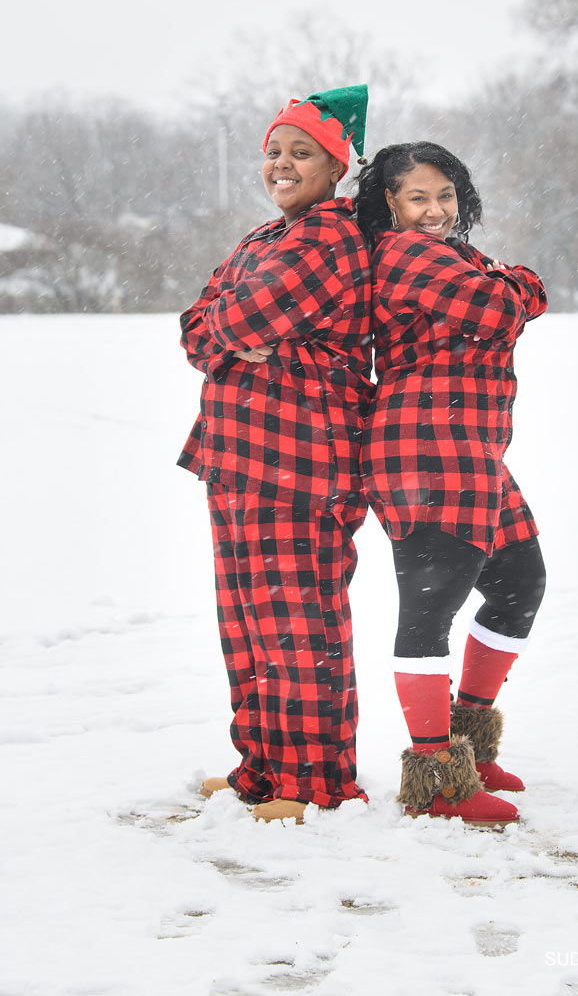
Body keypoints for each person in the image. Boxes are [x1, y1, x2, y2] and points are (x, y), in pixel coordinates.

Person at [178, 85, 372, 824]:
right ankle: (261, 769)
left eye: (301, 153)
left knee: (300, 625)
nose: (282, 165)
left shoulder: (331, 237)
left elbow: (244, 313)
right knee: (247, 625)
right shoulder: (263, 241)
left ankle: (314, 783)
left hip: (302, 461)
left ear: (336, 167)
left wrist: (236, 326)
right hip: (235, 457)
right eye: (274, 152)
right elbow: (199, 328)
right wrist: (231, 335)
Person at [352, 142, 547, 828]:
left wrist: (509, 284)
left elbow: (509, 298)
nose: (435, 211)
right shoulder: (406, 255)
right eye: (416, 198)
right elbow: (502, 310)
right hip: (424, 445)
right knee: (431, 607)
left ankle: (468, 745)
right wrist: (516, 283)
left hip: (472, 447)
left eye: (445, 195)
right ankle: (436, 778)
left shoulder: (454, 256)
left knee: (520, 579)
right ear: (388, 206)